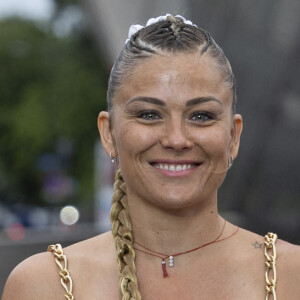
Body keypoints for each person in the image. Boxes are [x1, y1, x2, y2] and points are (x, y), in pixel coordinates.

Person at [2, 14, 300, 300]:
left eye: (200, 115)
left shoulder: (291, 275)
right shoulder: (44, 284)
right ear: (109, 133)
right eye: (148, 114)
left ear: (233, 137)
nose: (176, 139)